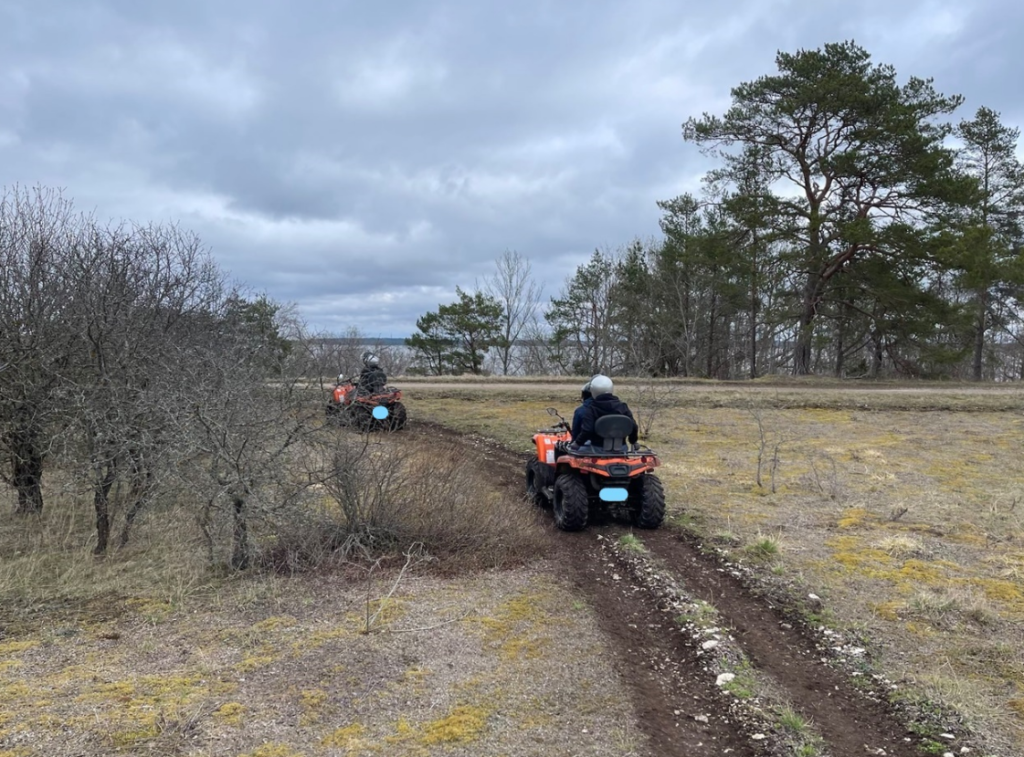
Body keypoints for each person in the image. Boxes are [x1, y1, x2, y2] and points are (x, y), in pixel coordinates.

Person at [573, 374, 639, 451]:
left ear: (592, 391)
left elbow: (587, 430)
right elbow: (633, 426)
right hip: (621, 448)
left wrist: (577, 443)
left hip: (596, 449)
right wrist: (633, 441)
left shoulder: (592, 409)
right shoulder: (623, 406)